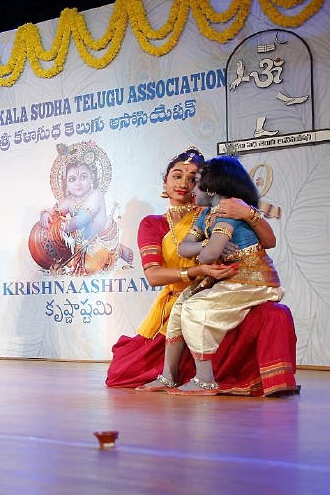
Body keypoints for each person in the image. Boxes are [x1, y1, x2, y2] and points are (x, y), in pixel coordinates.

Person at [107, 148, 296, 396]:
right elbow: (154, 276)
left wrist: (248, 212)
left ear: (209, 186)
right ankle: (171, 375)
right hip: (188, 294)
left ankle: (246, 380)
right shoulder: (156, 223)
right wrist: (202, 262)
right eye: (177, 176)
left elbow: (270, 232)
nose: (185, 184)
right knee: (122, 373)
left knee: (275, 313)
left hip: (231, 286)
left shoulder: (224, 209)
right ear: (164, 181)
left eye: (193, 178)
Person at [158, 155, 286, 395]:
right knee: (179, 306)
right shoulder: (208, 214)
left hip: (249, 281)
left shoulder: (228, 212)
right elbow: (185, 248)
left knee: (195, 308)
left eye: (196, 182)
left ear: (211, 187)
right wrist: (207, 243)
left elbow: (208, 256)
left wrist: (208, 248)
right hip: (227, 278)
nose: (192, 189)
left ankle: (205, 380)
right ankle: (168, 376)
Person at [31, 141, 134, 275]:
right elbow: (55, 211)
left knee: (88, 268)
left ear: (92, 178)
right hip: (81, 243)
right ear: (66, 183)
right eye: (72, 179)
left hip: (100, 241)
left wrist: (62, 227)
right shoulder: (69, 200)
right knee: (70, 265)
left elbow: (81, 220)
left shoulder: (96, 196)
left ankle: (116, 250)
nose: (78, 183)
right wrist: (46, 214)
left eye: (83, 177)